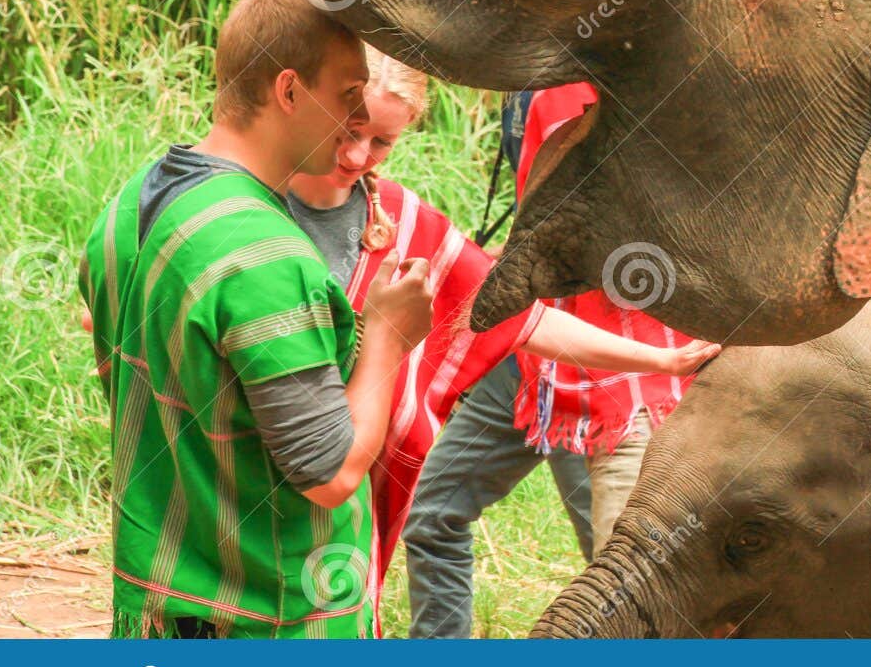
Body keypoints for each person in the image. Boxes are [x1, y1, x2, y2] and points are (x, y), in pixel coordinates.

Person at [285, 50, 719, 636]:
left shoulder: (406, 222)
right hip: (516, 355)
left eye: (381, 143)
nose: (359, 157)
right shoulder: (253, 209)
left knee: (625, 574)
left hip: (597, 381)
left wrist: (660, 358)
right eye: (348, 133)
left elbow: (529, 315)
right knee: (436, 515)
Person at [80, 0, 435, 638]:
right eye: (348, 94)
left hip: (156, 614)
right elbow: (329, 471)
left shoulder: (128, 207)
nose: (359, 121)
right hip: (269, 622)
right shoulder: (267, 258)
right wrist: (387, 335)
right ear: (290, 91)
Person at [402, 82, 702, 638]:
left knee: (625, 579)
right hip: (536, 358)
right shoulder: (536, 91)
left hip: (622, 376)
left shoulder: (615, 89)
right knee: (433, 514)